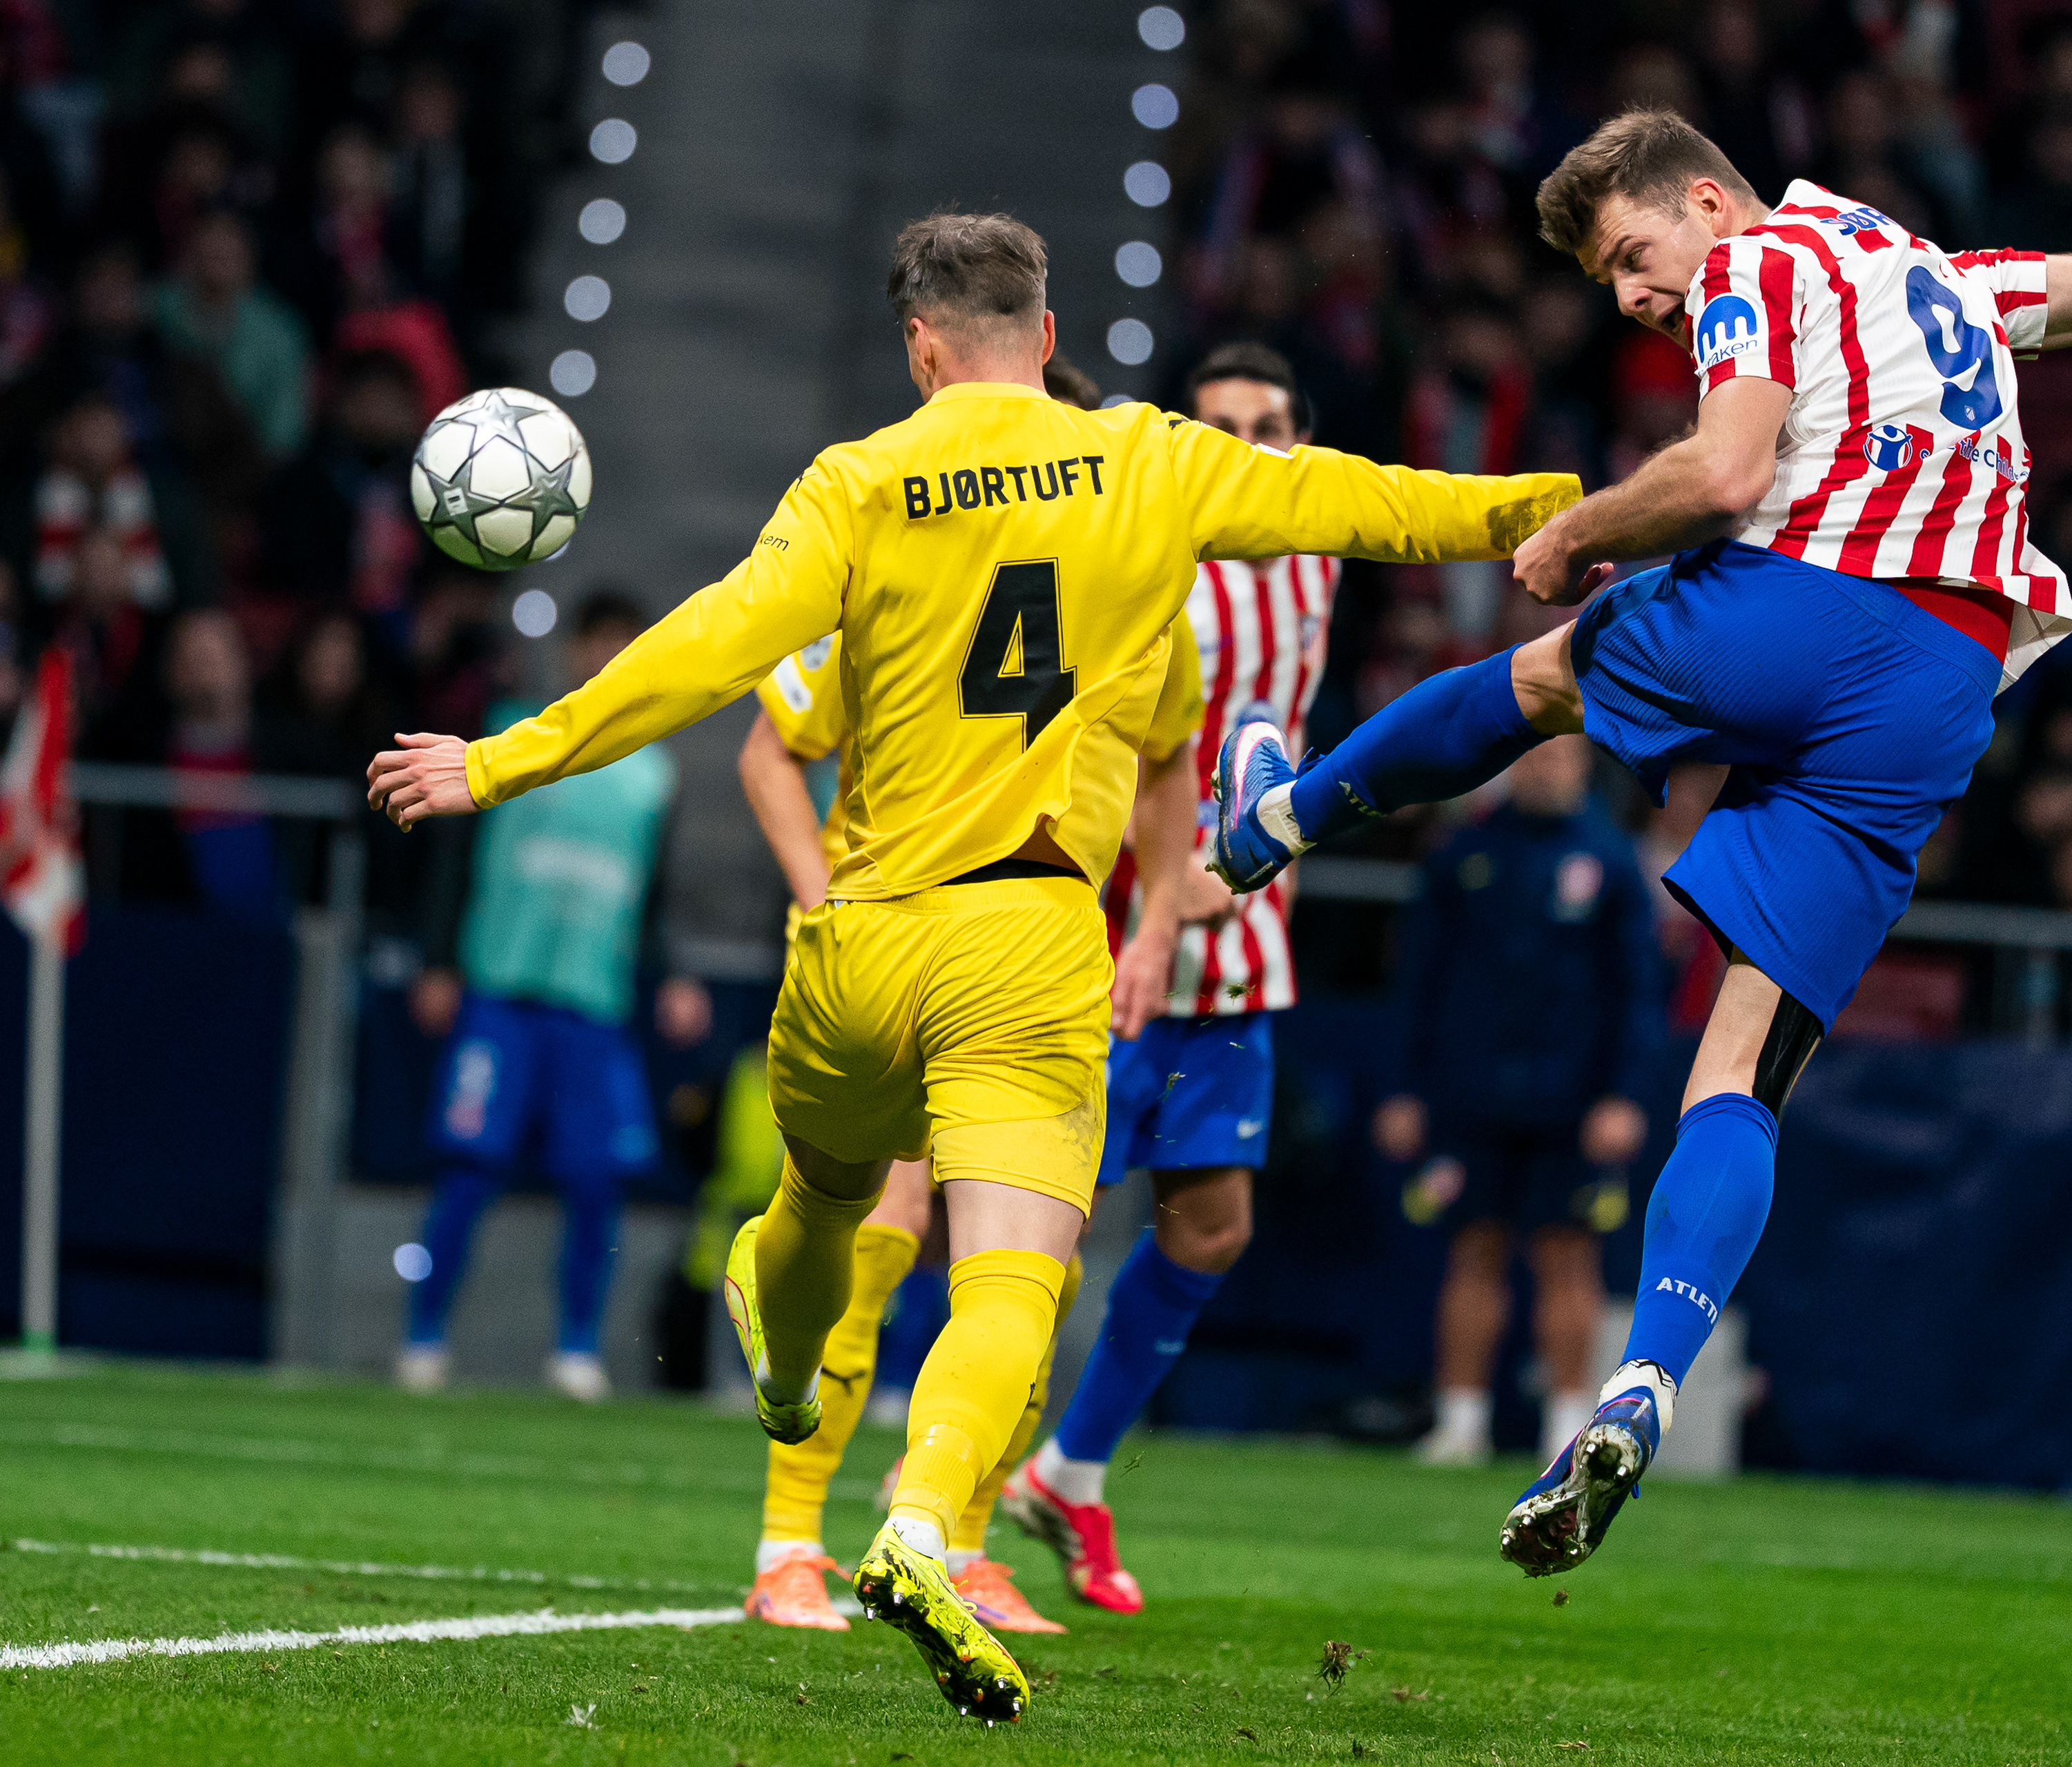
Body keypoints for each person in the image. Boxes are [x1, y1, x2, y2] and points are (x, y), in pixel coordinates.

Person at [366, 211, 1574, 1722]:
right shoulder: (1150, 461)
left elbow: (709, 645)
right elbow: (1378, 505)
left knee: (824, 1209)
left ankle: (790, 1370)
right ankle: (922, 1520)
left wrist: (502, 760)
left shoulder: (861, 481)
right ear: (1048, 337)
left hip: (863, 937)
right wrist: (1577, 508)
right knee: (1014, 1274)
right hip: (1028, 941)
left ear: (921, 347)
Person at [1206, 108, 2072, 1574]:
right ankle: (1644, 1382)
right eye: (1609, 281)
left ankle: (1276, 818)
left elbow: (1727, 475)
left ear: (1707, 201)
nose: (1632, 297)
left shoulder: (1757, 263)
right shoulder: (1953, 278)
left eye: (1633, 254)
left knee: (1538, 677)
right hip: (1941, 685)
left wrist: (1582, 531)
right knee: (1740, 1067)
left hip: (1816, 605)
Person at [734, 355, 1149, 1639]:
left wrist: (1161, 923)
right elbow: (770, 749)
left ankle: (957, 1543)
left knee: (1034, 1263)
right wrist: (823, 895)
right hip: (898, 947)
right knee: (887, 1226)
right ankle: (790, 1544)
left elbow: (1170, 757)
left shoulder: (1134, 584)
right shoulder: (905, 554)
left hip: (1035, 963)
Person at [1001, 341, 1345, 1618]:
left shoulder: (1316, 551)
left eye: (1269, 426)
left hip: (1237, 943)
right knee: (1040, 1226)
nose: (1247, 447)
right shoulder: (1143, 542)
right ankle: (950, 1496)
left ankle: (1070, 1474)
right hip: (1111, 926)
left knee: (1211, 1225)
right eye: (1219, 427)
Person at [393, 591, 712, 1401]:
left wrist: (673, 975)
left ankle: (576, 1347)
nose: (608, 657)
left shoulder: (654, 774)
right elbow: (453, 854)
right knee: (469, 1168)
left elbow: (652, 892)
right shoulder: (510, 733)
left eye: (625, 644)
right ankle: (422, 1336)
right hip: (501, 992)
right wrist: (437, 959)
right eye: (598, 642)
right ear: (574, 651)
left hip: (592, 1006)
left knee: (597, 1181)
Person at [1374, 735, 1659, 1467]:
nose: (1544, 769)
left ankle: (1567, 1427)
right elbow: (1419, 979)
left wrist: (1623, 1094)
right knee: (1473, 1250)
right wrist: (1406, 1086)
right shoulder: (1463, 852)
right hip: (1471, 1091)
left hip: (1573, 1101)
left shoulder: (1610, 858)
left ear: (1582, 765)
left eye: (1559, 757)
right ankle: (1460, 1422)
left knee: (1568, 1257)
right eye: (1533, 756)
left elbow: (1637, 990)